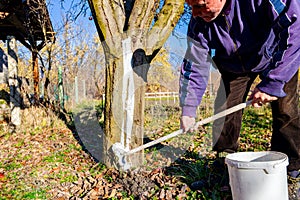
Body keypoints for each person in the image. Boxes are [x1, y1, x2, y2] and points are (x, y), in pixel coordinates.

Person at [179, 0, 300, 187]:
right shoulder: (199, 24)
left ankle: (291, 166)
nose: (195, 13)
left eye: (201, 4)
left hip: (276, 57)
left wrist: (273, 82)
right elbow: (195, 64)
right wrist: (188, 108)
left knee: (286, 109)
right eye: (191, 6)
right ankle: (226, 164)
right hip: (234, 65)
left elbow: (295, 25)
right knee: (225, 110)